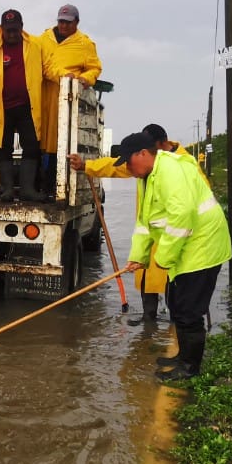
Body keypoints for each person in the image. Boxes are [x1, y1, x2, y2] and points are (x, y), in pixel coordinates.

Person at [113, 131, 232, 382]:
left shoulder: (170, 170)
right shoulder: (147, 177)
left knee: (189, 312)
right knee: (177, 306)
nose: (127, 167)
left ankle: (190, 369)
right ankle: (182, 357)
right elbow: (145, 224)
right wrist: (139, 257)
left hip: (202, 248)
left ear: (143, 154)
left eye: (128, 160)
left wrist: (162, 259)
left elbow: (181, 216)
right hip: (186, 251)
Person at [67, 124, 192, 326]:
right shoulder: (143, 165)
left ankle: (176, 329)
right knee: (146, 275)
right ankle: (149, 321)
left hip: (178, 236)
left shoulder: (183, 165)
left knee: (176, 284)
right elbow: (116, 167)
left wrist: (169, 250)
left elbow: (188, 210)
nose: (131, 169)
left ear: (158, 145)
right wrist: (86, 166)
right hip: (152, 234)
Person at [35, 4, 102, 199]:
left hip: (67, 99)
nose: (63, 26)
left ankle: (54, 186)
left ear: (76, 22)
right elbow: (40, 65)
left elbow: (94, 68)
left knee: (60, 141)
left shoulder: (85, 43)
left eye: (68, 22)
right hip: (43, 94)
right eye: (61, 21)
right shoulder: (42, 39)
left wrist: (85, 79)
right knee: (38, 139)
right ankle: (37, 186)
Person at [0, 9, 45, 202]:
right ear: (2, 29)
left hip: (28, 106)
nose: (12, 34)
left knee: (32, 146)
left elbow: (48, 66)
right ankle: (6, 189)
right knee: (3, 145)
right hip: (2, 108)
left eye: (15, 30)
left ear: (22, 27)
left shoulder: (34, 45)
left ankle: (27, 190)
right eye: (9, 31)